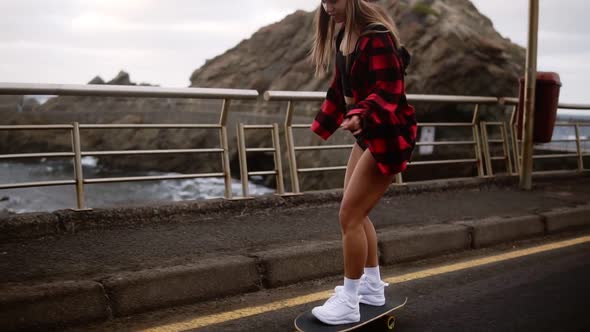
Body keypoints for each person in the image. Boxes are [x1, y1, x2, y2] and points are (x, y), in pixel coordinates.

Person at [309, 0, 417, 325]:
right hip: (367, 135)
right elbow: (338, 89)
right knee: (356, 211)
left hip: (388, 135)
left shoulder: (377, 37)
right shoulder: (344, 35)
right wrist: (322, 125)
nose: (328, 5)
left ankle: (350, 299)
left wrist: (359, 114)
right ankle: (371, 287)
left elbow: (390, 90)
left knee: (350, 216)